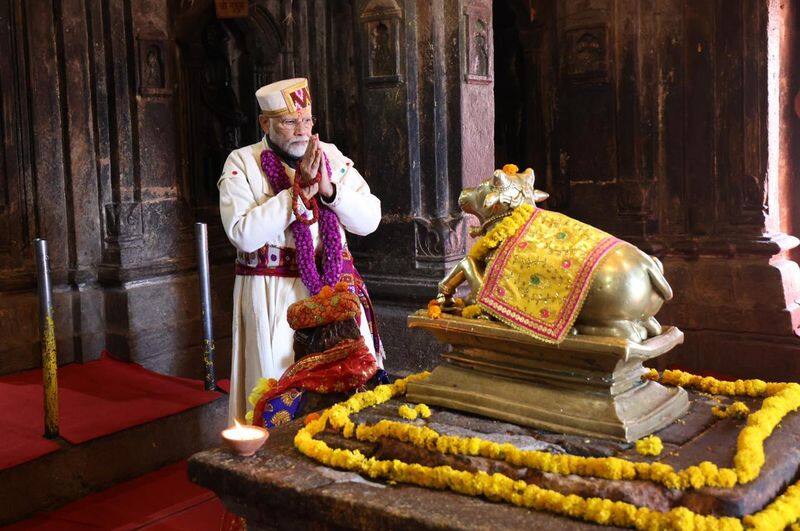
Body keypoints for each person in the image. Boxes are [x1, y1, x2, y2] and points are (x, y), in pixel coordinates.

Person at [218, 78, 384, 423]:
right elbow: (243, 235)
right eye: (289, 121)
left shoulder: (332, 157)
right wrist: (294, 196)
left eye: (307, 120)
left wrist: (329, 190)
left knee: (349, 389)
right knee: (277, 385)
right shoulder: (242, 163)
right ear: (265, 123)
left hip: (335, 290)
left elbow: (370, 220)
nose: (301, 130)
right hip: (273, 295)